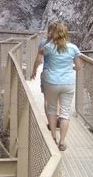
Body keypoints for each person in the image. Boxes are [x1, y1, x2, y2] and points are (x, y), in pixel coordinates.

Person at [31, 22, 82, 151]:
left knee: (52, 109)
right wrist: (70, 67)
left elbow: (38, 59)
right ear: (66, 34)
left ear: (53, 34)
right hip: (68, 83)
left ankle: (53, 137)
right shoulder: (73, 48)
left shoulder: (47, 47)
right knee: (65, 113)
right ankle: (62, 142)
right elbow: (79, 67)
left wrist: (34, 71)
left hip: (51, 82)